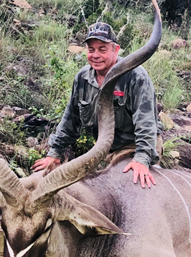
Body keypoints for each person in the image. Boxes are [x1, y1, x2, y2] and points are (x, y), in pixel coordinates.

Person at [32, 22, 163, 188]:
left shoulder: (136, 76)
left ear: (116, 50)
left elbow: (146, 123)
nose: (95, 55)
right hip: (105, 149)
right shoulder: (83, 77)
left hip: (136, 145)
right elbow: (70, 120)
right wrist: (55, 152)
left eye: (102, 49)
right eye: (91, 49)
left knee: (130, 188)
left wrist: (142, 159)